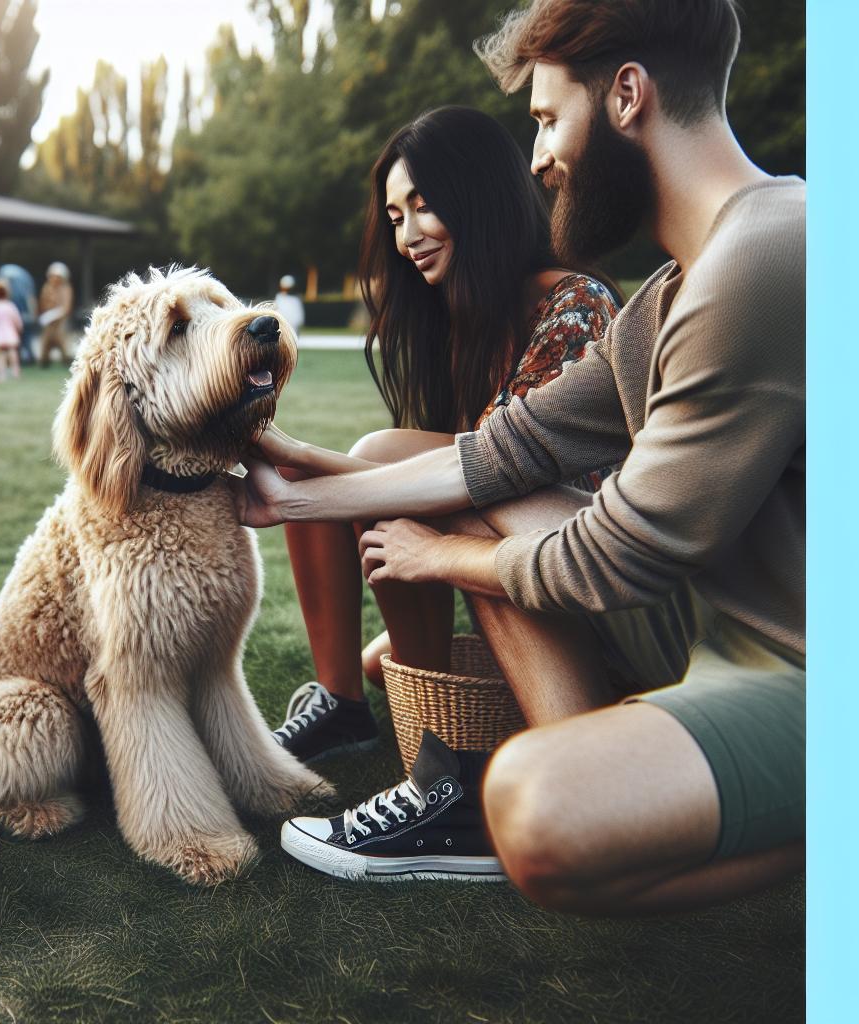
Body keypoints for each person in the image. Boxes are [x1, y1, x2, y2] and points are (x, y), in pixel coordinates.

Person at [250, 0, 804, 915]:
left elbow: (614, 556)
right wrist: (289, 495)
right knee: (471, 492)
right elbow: (506, 450)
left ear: (627, 96)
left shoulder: (764, 257)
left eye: (548, 120)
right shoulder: (670, 296)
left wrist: (443, 559)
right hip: (705, 625)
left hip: (804, 670)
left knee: (536, 807)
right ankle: (549, 771)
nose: (538, 157)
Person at [264, 106, 619, 792]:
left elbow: (487, 479)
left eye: (423, 207)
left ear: (478, 196)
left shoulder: (575, 308)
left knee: (370, 454)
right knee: (322, 483)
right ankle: (345, 704)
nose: (406, 237)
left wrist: (311, 467)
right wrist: (298, 464)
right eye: (395, 216)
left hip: (580, 565)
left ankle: (434, 742)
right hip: (501, 544)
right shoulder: (468, 320)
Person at [0, 263, 40, 365]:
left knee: (22, 341)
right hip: (22, 319)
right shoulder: (22, 287)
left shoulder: (12, 294)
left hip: (22, 319)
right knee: (21, 342)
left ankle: (25, 359)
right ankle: (26, 359)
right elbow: (30, 300)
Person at [36, 262, 75, 368]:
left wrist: (58, 314)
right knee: (45, 343)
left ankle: (67, 361)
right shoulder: (47, 287)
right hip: (49, 322)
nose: (55, 279)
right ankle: (44, 361)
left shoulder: (66, 288)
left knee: (63, 343)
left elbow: (66, 306)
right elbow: (43, 303)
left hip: (61, 322)